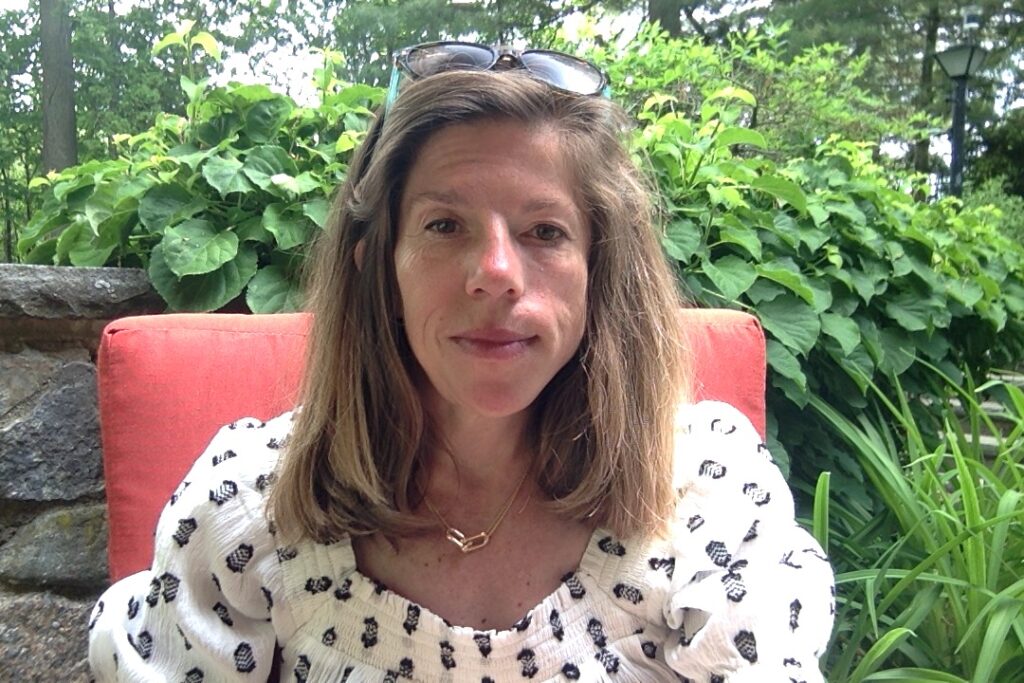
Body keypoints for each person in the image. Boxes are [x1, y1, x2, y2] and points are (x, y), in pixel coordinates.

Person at [89, 42, 835, 681]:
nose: (496, 271)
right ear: (379, 267)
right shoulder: (252, 502)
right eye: (445, 224)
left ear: (600, 271)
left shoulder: (704, 491)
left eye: (545, 230)